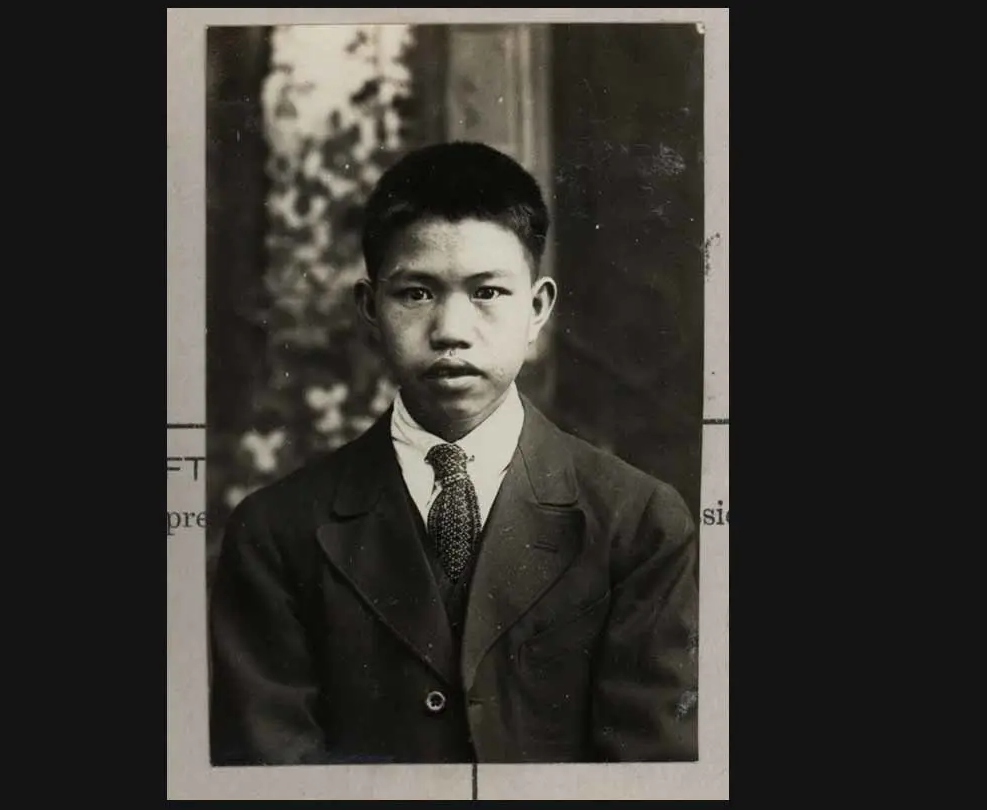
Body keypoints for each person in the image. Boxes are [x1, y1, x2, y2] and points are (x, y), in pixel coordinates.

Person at [209, 141, 699, 765]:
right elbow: (270, 768)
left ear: (538, 307)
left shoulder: (639, 522)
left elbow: (651, 770)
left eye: (487, 292)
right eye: (416, 293)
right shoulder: (275, 532)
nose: (451, 330)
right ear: (369, 307)